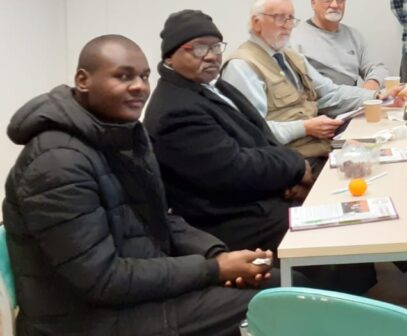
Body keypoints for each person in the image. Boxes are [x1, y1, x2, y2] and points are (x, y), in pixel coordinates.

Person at [3, 35, 272, 336]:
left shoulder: (120, 136)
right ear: (83, 80)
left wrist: (215, 255)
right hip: (84, 321)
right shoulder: (56, 163)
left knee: (281, 283)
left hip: (133, 298)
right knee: (277, 308)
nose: (140, 86)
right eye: (123, 76)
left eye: (144, 76)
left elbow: (160, 218)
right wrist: (213, 270)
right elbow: (102, 280)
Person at [146, 9, 377, 294]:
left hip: (259, 195)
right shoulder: (175, 109)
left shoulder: (209, 87)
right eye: (198, 48)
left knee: (346, 209)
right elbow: (233, 168)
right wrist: (294, 166)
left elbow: (261, 137)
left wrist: (291, 175)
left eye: (215, 46)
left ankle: (359, 301)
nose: (211, 55)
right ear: (170, 56)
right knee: (331, 230)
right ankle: (337, 307)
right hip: (230, 219)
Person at [222, 0, 398, 165]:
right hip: (290, 159)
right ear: (256, 23)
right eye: (280, 18)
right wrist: (305, 127)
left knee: (388, 147)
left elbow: (330, 93)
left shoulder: (290, 56)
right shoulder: (242, 66)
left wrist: (375, 97)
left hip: (320, 146)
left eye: (291, 19)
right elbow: (250, 132)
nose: (287, 25)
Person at [291, 0, 389, 89]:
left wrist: (372, 84)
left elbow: (379, 68)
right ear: (313, 3)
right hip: (318, 102)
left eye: (340, 0)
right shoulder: (295, 37)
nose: (334, 5)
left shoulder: (354, 36)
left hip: (353, 100)